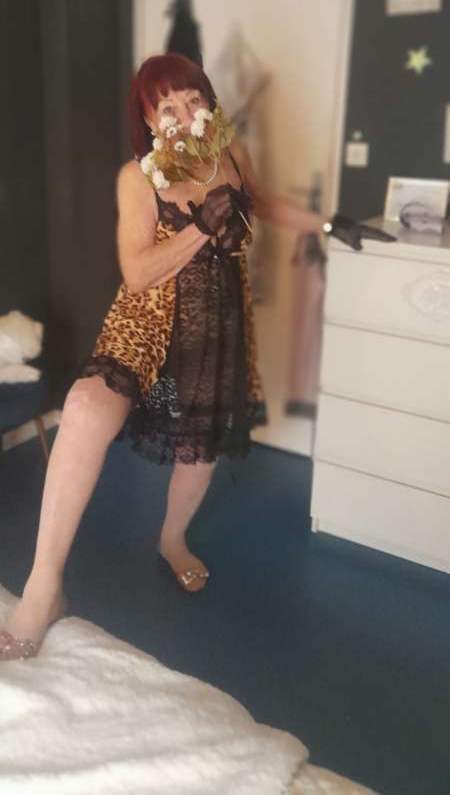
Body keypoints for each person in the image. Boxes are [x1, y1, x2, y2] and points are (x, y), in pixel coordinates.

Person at [0, 53, 394, 661]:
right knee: (83, 409)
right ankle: (43, 586)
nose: (184, 115)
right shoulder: (138, 178)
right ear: (148, 121)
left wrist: (330, 223)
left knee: (201, 444)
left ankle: (172, 539)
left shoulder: (230, 155)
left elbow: (261, 202)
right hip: (148, 319)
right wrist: (201, 228)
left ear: (209, 103)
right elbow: (137, 272)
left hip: (215, 324)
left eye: (193, 100)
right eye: (167, 106)